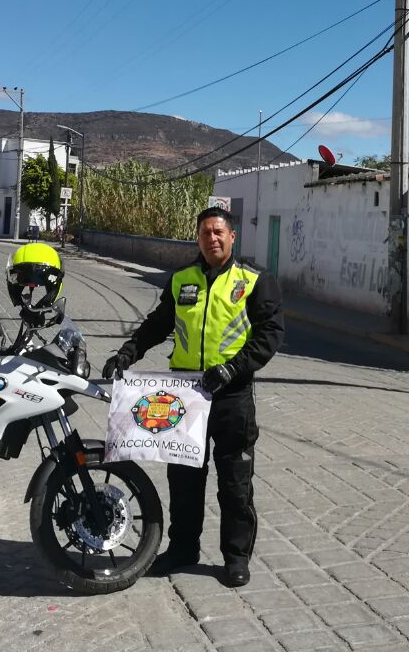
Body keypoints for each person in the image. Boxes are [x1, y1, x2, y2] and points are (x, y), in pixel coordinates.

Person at [102, 207, 284, 588]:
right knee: (184, 481)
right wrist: (127, 352)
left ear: (233, 237)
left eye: (219, 232)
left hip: (232, 396)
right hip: (186, 397)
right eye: (205, 233)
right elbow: (158, 323)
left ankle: (236, 558)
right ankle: (183, 550)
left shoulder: (253, 280)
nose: (212, 239)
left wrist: (233, 368)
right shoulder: (181, 280)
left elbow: (269, 335)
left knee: (235, 483)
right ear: (197, 238)